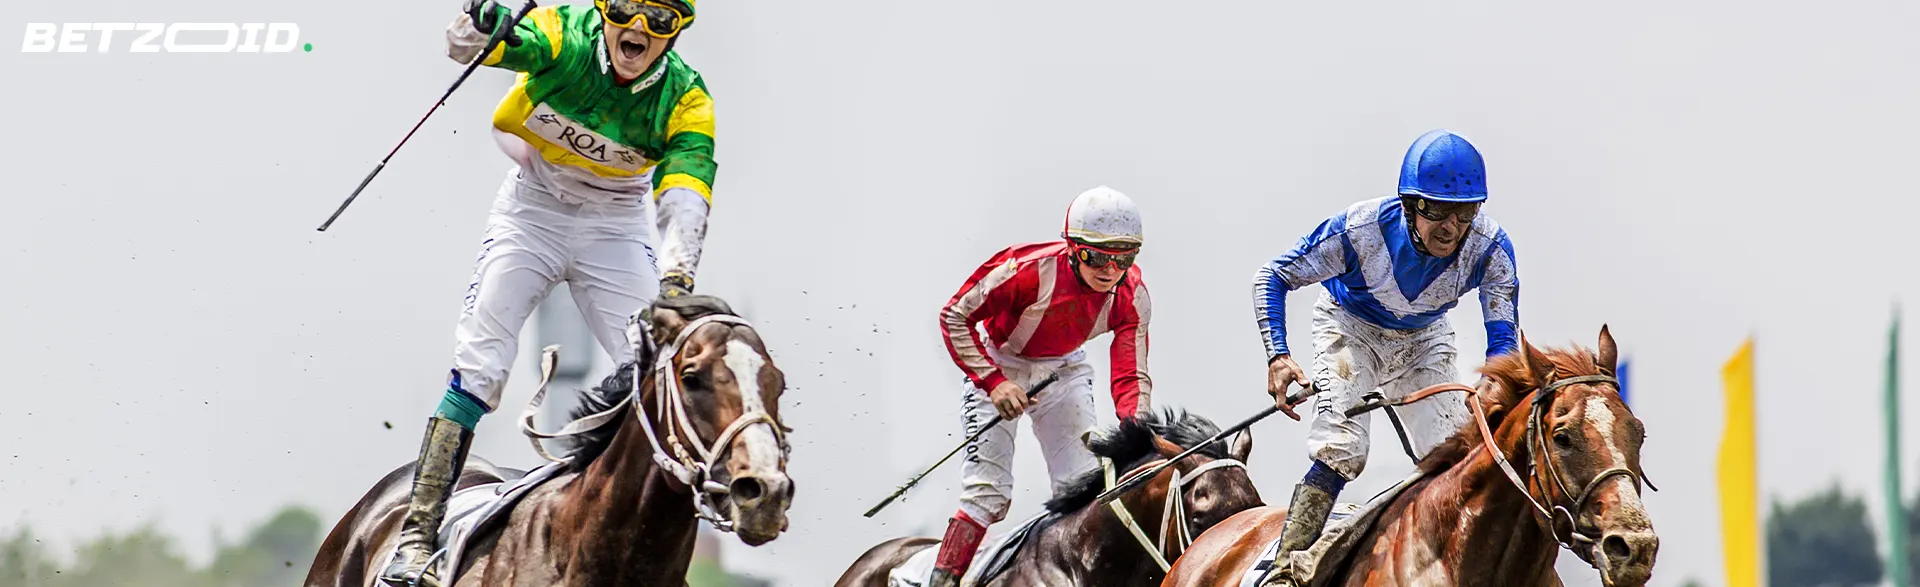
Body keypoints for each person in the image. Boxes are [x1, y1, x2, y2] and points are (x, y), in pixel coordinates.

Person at [380, 1, 715, 585]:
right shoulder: (564, 33)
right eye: (627, 11)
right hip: (532, 212)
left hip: (615, 224)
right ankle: (417, 535)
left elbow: (687, 183)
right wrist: (478, 23)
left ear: (677, 31)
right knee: (480, 366)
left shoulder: (687, 98)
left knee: (662, 365)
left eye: (658, 20)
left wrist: (677, 278)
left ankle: (662, 550)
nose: (637, 30)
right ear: (603, 11)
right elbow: (470, 49)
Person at [1251, 129, 1519, 571]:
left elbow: (1503, 343)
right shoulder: (1359, 230)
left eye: (1465, 212)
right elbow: (1273, 277)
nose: (1451, 228)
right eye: (1436, 211)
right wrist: (1278, 356)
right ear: (1411, 204)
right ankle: (1284, 568)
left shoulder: (1491, 248)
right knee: (1343, 448)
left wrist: (1495, 385)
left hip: (1425, 339)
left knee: (1459, 452)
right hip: (1349, 329)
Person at [928, 186, 1155, 587]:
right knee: (988, 495)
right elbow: (953, 317)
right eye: (1097, 256)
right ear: (1073, 248)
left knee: (1084, 492)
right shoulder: (1025, 269)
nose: (1109, 270)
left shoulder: (1133, 295)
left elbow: (1130, 375)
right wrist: (994, 382)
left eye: (1124, 258)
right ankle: (942, 581)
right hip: (999, 360)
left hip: (1063, 372)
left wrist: (1138, 432)